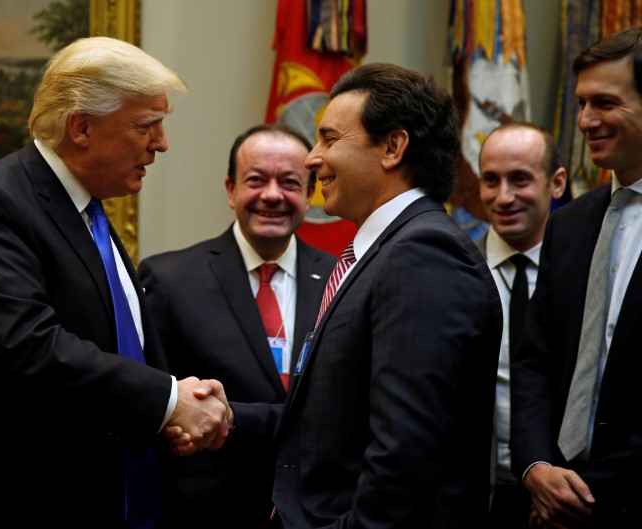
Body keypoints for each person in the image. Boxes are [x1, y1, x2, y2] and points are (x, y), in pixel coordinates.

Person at [0, 37, 230, 529]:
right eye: (146, 125)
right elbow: (26, 345)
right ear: (82, 127)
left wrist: (177, 404)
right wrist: (169, 401)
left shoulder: (85, 211)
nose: (161, 143)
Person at [188, 62, 503, 528]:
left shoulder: (423, 254)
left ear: (393, 147)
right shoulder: (382, 250)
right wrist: (231, 416)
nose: (312, 159)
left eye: (329, 139)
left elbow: (405, 454)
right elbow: (334, 423)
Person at [138, 123, 336, 528]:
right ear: (230, 190)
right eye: (256, 180)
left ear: (309, 192)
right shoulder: (169, 278)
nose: (272, 195)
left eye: (290, 182)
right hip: (208, 511)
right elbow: (154, 399)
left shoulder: (342, 279)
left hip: (315, 510)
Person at [511, 26, 642, 529]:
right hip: (552, 499)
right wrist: (536, 467)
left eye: (605, 103)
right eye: (582, 103)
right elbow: (534, 360)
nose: (585, 121)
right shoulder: (568, 222)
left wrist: (587, 493)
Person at [475, 122, 567, 529]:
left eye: (520, 179)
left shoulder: (582, 272)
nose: (503, 197)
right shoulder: (453, 268)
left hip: (560, 493)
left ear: (557, 183)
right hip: (474, 493)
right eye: (491, 180)